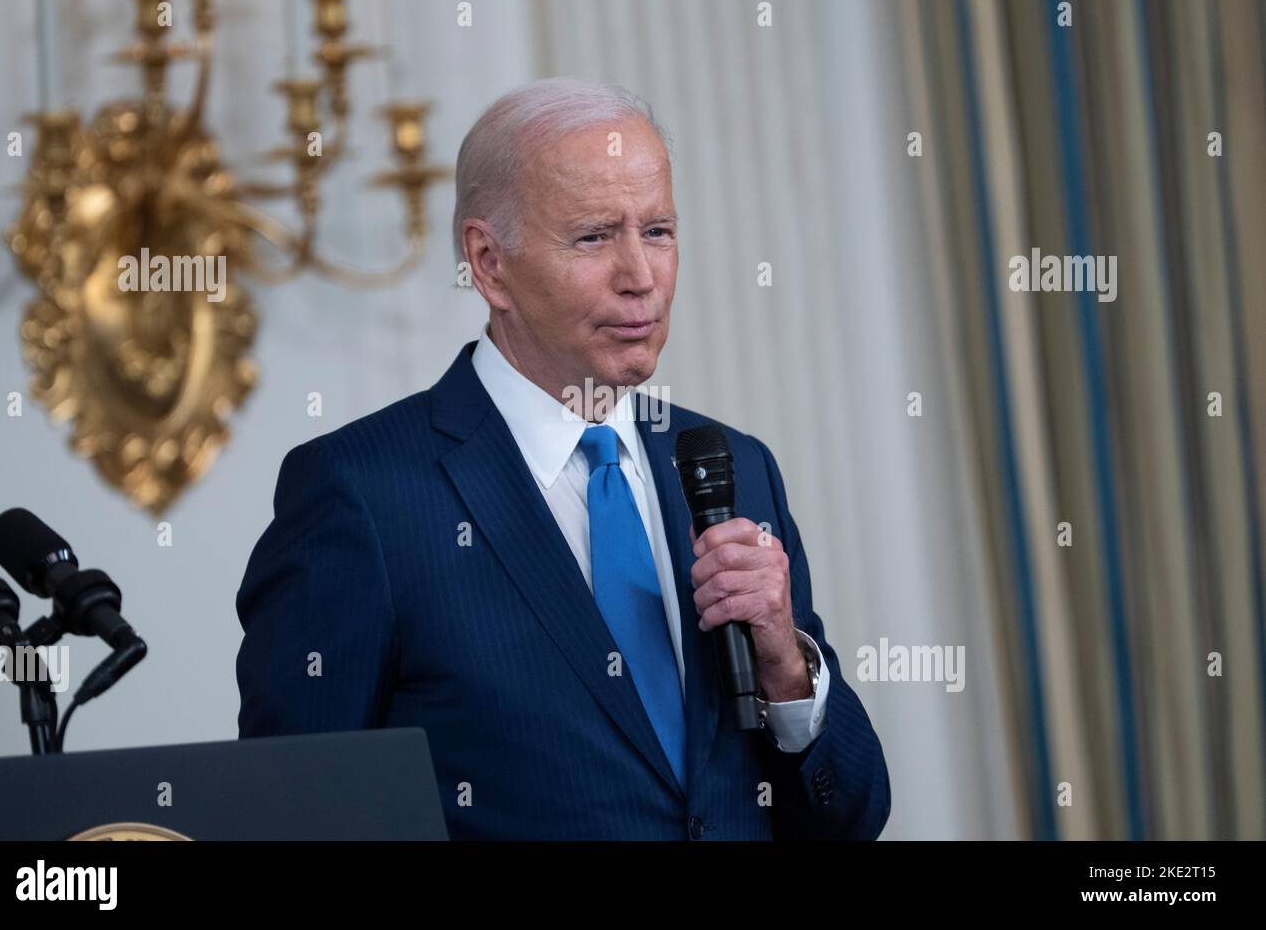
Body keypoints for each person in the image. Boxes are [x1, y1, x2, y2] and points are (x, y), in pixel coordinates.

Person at [236, 77, 889, 840]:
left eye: (658, 231)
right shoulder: (363, 494)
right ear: (489, 263)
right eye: (593, 237)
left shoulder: (735, 468)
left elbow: (851, 815)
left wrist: (788, 668)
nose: (640, 276)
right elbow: (293, 816)